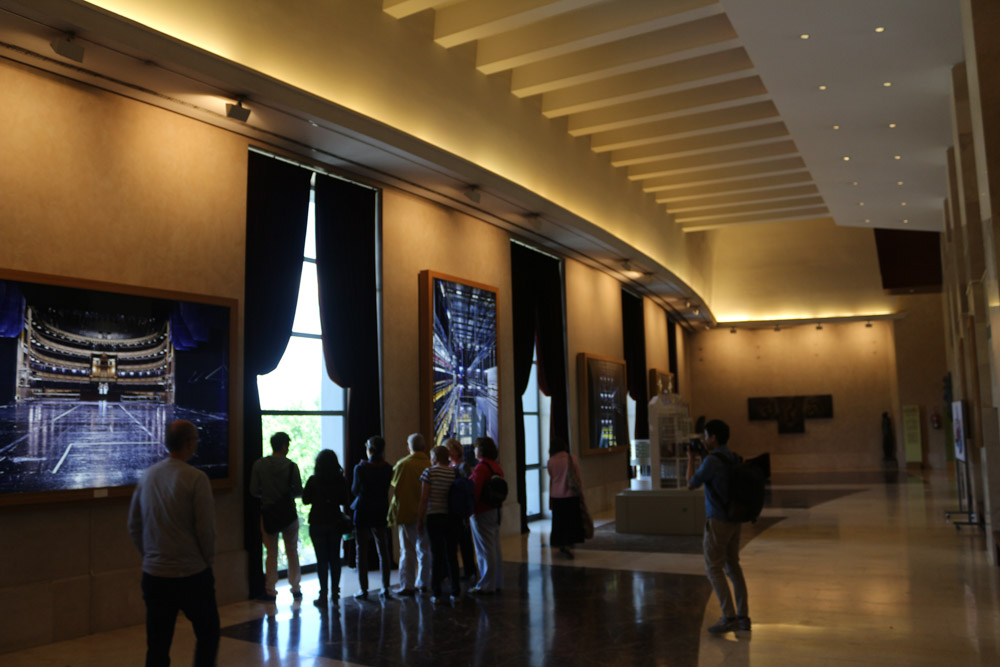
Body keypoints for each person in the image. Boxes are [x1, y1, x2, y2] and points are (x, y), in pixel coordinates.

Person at [127, 419, 219, 667]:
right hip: (192, 574)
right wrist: (206, 561)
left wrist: (150, 555)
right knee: (208, 633)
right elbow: (205, 530)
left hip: (155, 575)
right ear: (190, 443)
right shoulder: (196, 478)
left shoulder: (148, 476)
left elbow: (134, 525)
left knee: (157, 644)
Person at [686, 419, 751, 634]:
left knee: (713, 567)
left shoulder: (712, 461)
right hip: (734, 518)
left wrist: (691, 459)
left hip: (718, 520)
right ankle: (742, 616)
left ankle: (728, 617)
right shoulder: (731, 456)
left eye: (705, 435)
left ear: (713, 437)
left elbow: (691, 483)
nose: (704, 439)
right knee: (733, 566)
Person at [250, 431, 303, 602]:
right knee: (292, 551)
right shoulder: (291, 466)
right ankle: (295, 588)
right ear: (283, 446)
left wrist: (267, 495)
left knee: (271, 553)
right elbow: (298, 491)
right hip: (288, 514)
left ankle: (270, 590)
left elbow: (253, 491)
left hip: (268, 514)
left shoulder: (259, 465)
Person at [302, 449, 351, 607]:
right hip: (335, 522)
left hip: (317, 522)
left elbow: (305, 500)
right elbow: (345, 500)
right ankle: (335, 592)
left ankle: (323, 594)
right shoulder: (340, 480)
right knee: (334, 558)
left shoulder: (313, 480)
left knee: (321, 560)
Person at [418, 445, 464, 603]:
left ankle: (436, 592)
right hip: (452, 517)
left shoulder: (429, 472)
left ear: (435, 458)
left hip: (434, 517)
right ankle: (455, 591)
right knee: (452, 555)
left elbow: (424, 498)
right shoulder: (454, 472)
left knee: (436, 555)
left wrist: (419, 518)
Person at [389, 433, 432, 596]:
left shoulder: (403, 464)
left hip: (407, 512)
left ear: (409, 447)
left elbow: (394, 483)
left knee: (407, 550)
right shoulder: (429, 463)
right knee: (425, 549)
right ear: (424, 447)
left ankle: (407, 584)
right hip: (427, 513)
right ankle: (424, 582)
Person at [352, 435, 393, 600]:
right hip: (381, 510)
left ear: (369, 450)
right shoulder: (388, 468)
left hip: (363, 511)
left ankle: (364, 589)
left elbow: (355, 490)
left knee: (361, 552)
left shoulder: (360, 468)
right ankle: (386, 587)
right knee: (383, 550)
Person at [469, 436, 504, 595]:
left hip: (482, 510)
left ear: (480, 450)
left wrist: (469, 509)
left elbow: (475, 490)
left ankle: (486, 584)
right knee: (494, 547)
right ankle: (496, 582)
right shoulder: (496, 466)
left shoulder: (481, 467)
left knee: (484, 549)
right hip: (495, 510)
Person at [546, 437, 585, 559]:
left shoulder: (551, 461)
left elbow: (551, 476)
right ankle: (569, 543)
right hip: (570, 495)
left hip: (556, 496)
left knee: (559, 521)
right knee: (571, 520)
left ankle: (560, 542)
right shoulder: (571, 459)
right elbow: (577, 477)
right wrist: (581, 493)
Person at [446, 438, 477, 581]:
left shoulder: (462, 466)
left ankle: (470, 570)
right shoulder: (450, 465)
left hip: (462, 508)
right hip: (453, 508)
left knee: (465, 542)